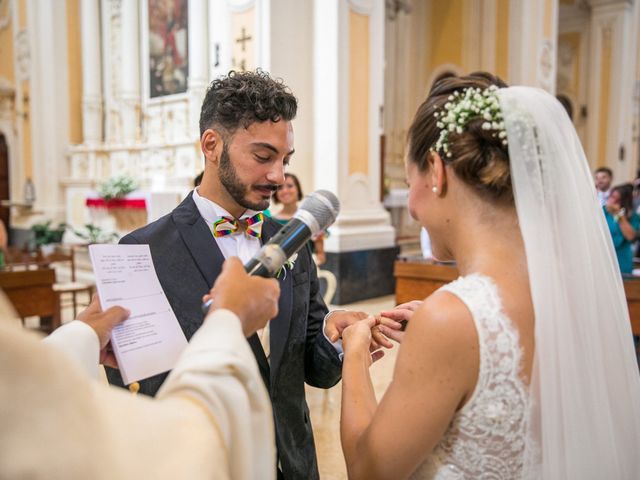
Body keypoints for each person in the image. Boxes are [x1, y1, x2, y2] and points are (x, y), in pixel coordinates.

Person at [339, 73, 640, 478]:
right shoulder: (578, 291)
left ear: (435, 171)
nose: (411, 206)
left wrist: (354, 353)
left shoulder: (451, 319)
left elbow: (367, 470)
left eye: (410, 183)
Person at [107, 70, 370, 479]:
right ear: (212, 145)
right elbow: (133, 399)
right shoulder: (142, 251)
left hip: (294, 465)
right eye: (263, 157)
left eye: (285, 160)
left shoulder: (292, 241)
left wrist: (337, 339)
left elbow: (311, 368)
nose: (279, 177)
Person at [1, 257, 280, 480]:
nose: (278, 181)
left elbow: (29, 389)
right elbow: (181, 450)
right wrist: (228, 318)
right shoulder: (145, 241)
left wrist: (81, 335)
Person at [272, 172, 327, 265]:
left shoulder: (311, 219)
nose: (285, 191)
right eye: (280, 188)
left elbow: (321, 255)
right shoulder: (271, 222)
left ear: (298, 189)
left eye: (290, 186)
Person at [604, 183, 640, 274]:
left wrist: (619, 215)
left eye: (617, 200)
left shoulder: (633, 217)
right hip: (604, 257)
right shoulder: (602, 213)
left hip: (621, 261)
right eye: (612, 197)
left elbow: (631, 237)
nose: (612, 201)